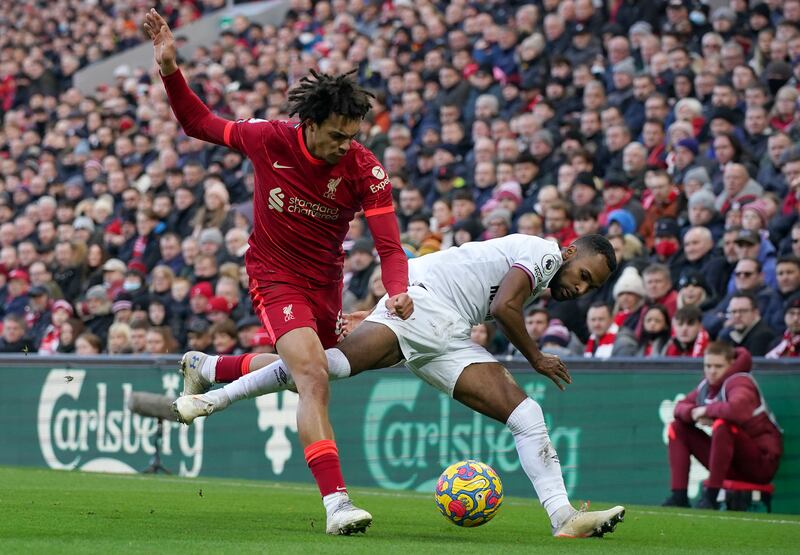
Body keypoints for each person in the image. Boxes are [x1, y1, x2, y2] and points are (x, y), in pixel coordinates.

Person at [144, 9, 412, 535]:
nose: (345, 145)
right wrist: (170, 68)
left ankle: (213, 368)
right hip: (274, 275)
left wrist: (399, 292)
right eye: (337, 135)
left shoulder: (364, 168)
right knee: (312, 374)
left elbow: (390, 248)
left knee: (304, 370)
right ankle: (337, 505)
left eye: (352, 135)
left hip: (326, 286)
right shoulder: (269, 139)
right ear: (309, 124)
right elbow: (198, 123)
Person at [174, 234, 625, 538]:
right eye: (584, 275)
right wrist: (537, 357)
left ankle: (564, 517)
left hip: (448, 330)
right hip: (426, 307)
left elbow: (450, 267)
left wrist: (376, 310)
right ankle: (211, 394)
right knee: (322, 368)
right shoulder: (543, 253)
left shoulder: (540, 267)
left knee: (526, 416)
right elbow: (506, 306)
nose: (581, 288)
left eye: (592, 287)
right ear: (569, 253)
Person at [663, 342, 782, 510]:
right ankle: (679, 496)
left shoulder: (741, 381)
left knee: (723, 425)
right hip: (730, 462)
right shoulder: (706, 386)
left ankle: (711, 497)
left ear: (731, 364)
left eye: (718, 366)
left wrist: (706, 410)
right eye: (708, 366)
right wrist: (693, 413)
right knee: (677, 427)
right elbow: (678, 408)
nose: (712, 371)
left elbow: (737, 410)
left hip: (760, 465)